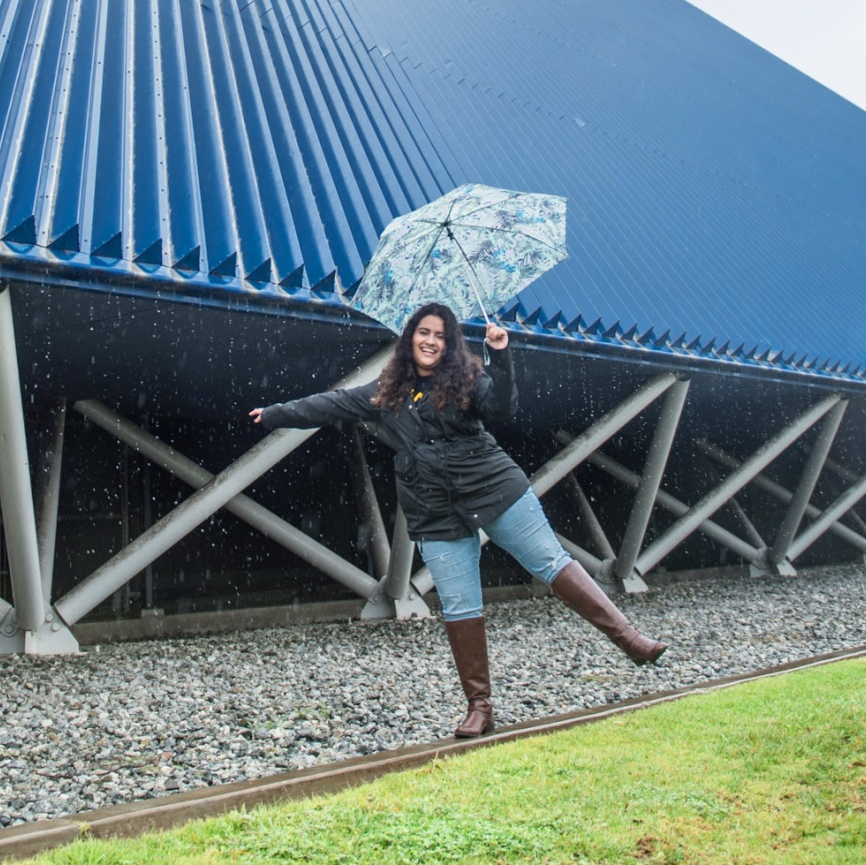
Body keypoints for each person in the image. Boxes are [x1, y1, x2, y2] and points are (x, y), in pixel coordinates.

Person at [250, 301, 665, 739]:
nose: (430, 341)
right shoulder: (387, 392)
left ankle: (630, 641)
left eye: (440, 336)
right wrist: (276, 413)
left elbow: (501, 407)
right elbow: (331, 404)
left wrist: (500, 356)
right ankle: (479, 706)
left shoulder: (467, 379)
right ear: (410, 338)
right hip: (433, 509)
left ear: (450, 345)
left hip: (493, 487)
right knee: (461, 605)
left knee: (550, 562)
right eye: (423, 333)